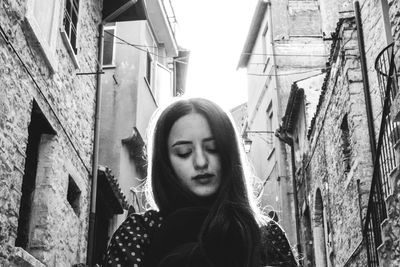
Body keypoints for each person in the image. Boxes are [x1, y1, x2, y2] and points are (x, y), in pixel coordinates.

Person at [103, 98, 298, 267]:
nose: (201, 162)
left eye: (213, 148)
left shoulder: (267, 234)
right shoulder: (139, 232)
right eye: (184, 153)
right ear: (165, 162)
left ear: (229, 154)